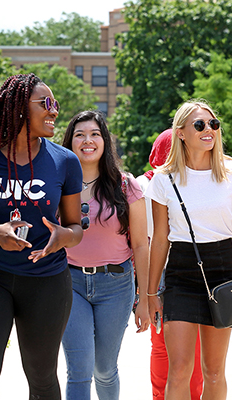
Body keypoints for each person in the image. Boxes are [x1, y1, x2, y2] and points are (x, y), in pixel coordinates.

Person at [0, 73, 83, 399]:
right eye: (46, 104)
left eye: (55, 104)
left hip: (47, 281)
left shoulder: (65, 161)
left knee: (42, 379)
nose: (54, 111)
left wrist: (62, 237)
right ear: (18, 108)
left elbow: (76, 228)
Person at [146, 100, 232, 399]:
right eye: (199, 125)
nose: (209, 130)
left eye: (213, 124)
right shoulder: (164, 178)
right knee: (180, 370)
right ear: (181, 133)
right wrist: (149, 295)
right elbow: (160, 240)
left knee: (214, 372)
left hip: (222, 270)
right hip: (181, 273)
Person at [60, 110, 150, 400]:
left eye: (95, 134)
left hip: (116, 285)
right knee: (79, 369)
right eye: (80, 134)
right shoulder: (58, 184)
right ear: (70, 142)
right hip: (69, 284)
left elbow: (140, 244)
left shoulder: (126, 185)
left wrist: (145, 299)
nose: (88, 140)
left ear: (105, 141)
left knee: (105, 368)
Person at [136, 129, 203, 400]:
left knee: (161, 347)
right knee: (193, 348)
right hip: (186, 269)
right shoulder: (190, 182)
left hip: (155, 271)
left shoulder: (141, 183)